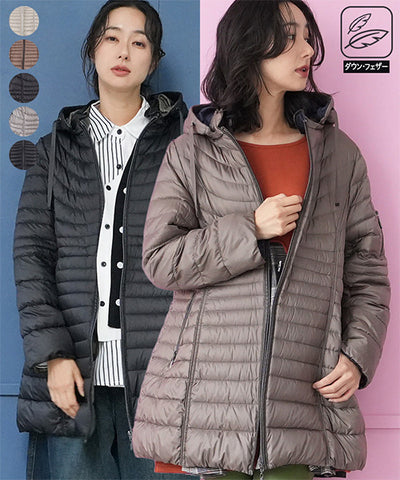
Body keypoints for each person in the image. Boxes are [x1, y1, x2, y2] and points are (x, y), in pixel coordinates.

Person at [131, 1, 390, 479]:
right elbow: (161, 260)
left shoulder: (339, 155)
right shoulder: (192, 152)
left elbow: (367, 270)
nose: (307, 50)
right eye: (290, 36)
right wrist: (249, 229)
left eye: (308, 37)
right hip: (206, 403)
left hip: (304, 401)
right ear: (249, 43)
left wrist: (358, 355)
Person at [13, 1, 193, 479]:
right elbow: (32, 258)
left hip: (162, 380)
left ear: (153, 60)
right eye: (112, 37)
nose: (124, 51)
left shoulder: (185, 145)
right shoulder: (54, 150)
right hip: (74, 378)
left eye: (139, 42)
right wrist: (53, 356)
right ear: (93, 49)